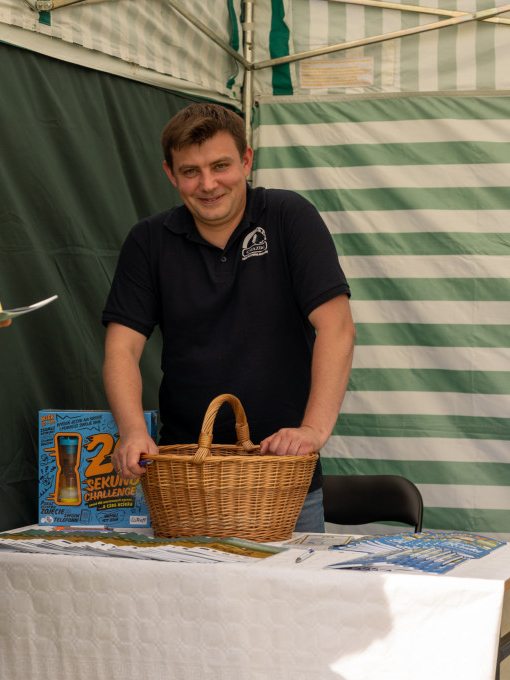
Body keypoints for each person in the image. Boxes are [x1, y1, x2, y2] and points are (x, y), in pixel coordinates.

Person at [102, 102, 355, 532]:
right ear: (169, 173)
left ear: (246, 160)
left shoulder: (289, 217)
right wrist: (130, 430)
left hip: (284, 479)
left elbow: (337, 327)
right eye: (190, 172)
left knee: (291, 601)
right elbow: (121, 348)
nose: (208, 184)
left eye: (220, 166)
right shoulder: (147, 241)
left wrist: (312, 430)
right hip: (184, 482)